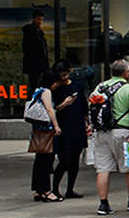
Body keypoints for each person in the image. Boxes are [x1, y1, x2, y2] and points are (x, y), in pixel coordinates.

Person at [89, 59, 129, 216]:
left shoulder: (100, 87)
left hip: (101, 133)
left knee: (103, 169)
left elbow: (91, 107)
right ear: (126, 73)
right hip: (124, 133)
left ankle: (103, 204)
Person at [51, 68, 89, 199]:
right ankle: (55, 189)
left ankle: (70, 189)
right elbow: (53, 108)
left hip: (77, 126)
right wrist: (64, 104)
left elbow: (84, 106)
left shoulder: (76, 86)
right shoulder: (55, 88)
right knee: (64, 160)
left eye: (66, 72)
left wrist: (87, 122)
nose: (64, 75)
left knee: (74, 161)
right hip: (63, 128)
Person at [27, 68, 61, 203]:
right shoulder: (46, 92)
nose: (57, 85)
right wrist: (56, 125)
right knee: (47, 160)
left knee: (39, 161)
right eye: (56, 82)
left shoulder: (37, 90)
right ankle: (47, 190)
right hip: (47, 130)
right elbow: (49, 109)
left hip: (37, 129)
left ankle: (37, 190)